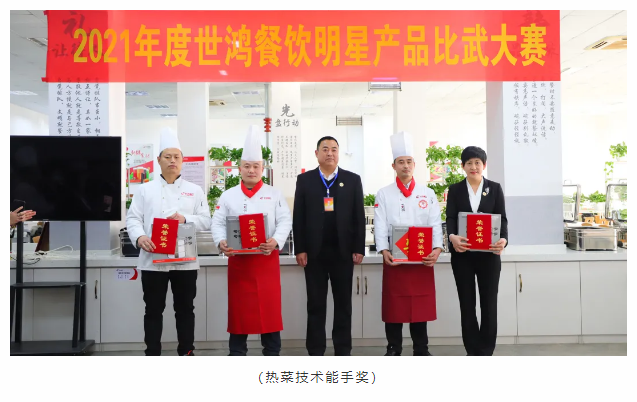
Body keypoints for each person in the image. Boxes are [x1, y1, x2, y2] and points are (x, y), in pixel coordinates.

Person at [126, 128, 211, 356]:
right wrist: (140, 237)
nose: (172, 161)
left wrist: (186, 218)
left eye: (176, 157)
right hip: (152, 260)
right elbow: (133, 218)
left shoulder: (195, 190)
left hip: (185, 261)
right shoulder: (144, 190)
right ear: (158, 160)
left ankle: (187, 351)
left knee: (185, 309)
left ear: (182, 160)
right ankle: (152, 352)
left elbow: (206, 221)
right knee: (153, 310)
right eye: (167, 156)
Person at [212, 125, 292, 356]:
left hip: (266, 261)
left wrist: (275, 240)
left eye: (256, 166)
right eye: (247, 166)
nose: (251, 170)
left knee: (269, 311)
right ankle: (237, 353)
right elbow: (217, 223)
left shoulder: (274, 194)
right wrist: (221, 242)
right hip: (239, 264)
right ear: (239, 168)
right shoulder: (228, 195)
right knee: (240, 313)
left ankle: (272, 353)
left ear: (262, 168)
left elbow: (285, 220)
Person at [293, 136, 366, 356]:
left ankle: (343, 350)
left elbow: (358, 216)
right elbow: (299, 217)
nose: (330, 153)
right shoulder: (305, 180)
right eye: (325, 149)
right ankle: (315, 351)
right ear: (317, 154)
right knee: (315, 305)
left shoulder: (352, 180)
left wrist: (359, 248)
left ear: (338, 153)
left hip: (343, 253)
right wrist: (300, 248)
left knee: (343, 305)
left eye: (334, 149)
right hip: (314, 254)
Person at [374, 131, 443, 356]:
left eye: (409, 162)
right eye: (401, 162)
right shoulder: (384, 193)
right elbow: (380, 224)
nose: (405, 166)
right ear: (393, 166)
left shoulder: (427, 193)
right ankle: (393, 348)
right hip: (395, 259)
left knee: (420, 307)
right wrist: (383, 249)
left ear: (415, 165)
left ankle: (421, 349)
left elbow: (435, 223)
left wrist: (437, 249)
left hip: (421, 259)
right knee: (394, 307)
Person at [445, 146, 508, 356]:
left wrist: (503, 240)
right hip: (462, 255)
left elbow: (502, 218)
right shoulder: (455, 189)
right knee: (467, 304)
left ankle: (486, 351)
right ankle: (472, 351)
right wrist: (452, 236)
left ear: (484, 165)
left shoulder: (494, 188)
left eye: (477, 163)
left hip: (489, 255)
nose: (474, 167)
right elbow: (450, 217)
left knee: (489, 303)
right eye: (469, 163)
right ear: (463, 166)